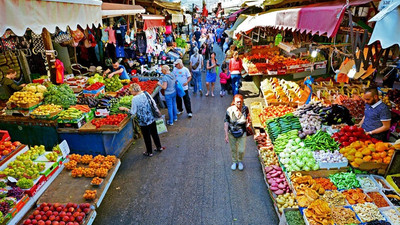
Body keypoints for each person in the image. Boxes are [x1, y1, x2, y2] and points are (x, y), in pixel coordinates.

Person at [119, 83, 165, 157]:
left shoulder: (135, 99)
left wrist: (125, 108)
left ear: (134, 91)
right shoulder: (146, 93)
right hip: (151, 118)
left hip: (143, 121)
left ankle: (149, 152)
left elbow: (133, 112)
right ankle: (159, 147)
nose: (130, 93)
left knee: (147, 137)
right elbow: (153, 103)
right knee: (154, 134)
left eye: (131, 91)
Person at [224, 94, 249, 171]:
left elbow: (248, 117)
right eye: (237, 102)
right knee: (233, 149)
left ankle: (240, 161)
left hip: (242, 132)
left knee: (241, 150)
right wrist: (226, 135)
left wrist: (248, 123)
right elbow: (226, 122)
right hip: (232, 132)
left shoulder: (245, 109)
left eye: (240, 102)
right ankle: (234, 162)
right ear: (234, 102)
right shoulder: (229, 110)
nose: (239, 104)